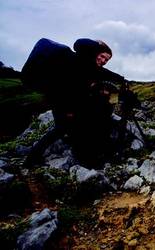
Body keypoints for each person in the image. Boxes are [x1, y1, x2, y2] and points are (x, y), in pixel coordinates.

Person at [23, 38, 127, 168]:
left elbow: (103, 74)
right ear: (95, 52)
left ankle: (32, 158)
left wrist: (121, 79)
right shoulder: (80, 60)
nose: (103, 61)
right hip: (62, 102)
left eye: (106, 60)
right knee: (65, 129)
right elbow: (80, 44)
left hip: (61, 101)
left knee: (61, 129)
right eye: (102, 56)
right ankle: (32, 160)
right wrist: (69, 111)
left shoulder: (90, 67)